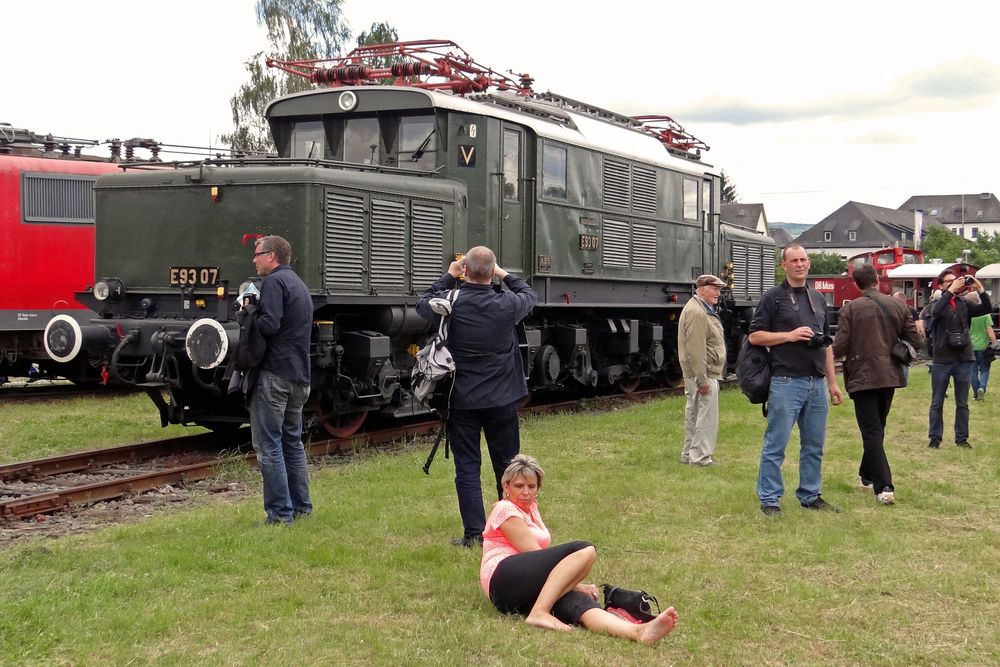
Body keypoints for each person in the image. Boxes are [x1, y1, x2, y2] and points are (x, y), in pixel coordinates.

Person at [480, 454, 679, 643]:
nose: (526, 492)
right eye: (519, 486)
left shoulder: (531, 508)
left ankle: (637, 632)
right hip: (503, 577)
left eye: (531, 486)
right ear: (506, 486)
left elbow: (542, 569)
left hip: (520, 589)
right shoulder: (505, 509)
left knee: (578, 604)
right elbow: (534, 554)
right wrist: (577, 584)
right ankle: (539, 613)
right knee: (584, 549)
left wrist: (572, 588)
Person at [416, 246, 537, 547]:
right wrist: (502, 273)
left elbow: (421, 306)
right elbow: (528, 295)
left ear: (465, 271)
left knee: (467, 467)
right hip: (502, 399)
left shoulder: (451, 302)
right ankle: (511, 529)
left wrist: (449, 275)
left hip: (462, 400)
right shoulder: (507, 304)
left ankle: (474, 533)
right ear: (491, 272)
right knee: (507, 466)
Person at [749, 245, 843, 516]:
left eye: (803, 260)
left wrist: (833, 383)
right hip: (786, 381)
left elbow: (826, 344)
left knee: (814, 445)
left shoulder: (818, 298)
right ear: (784, 265)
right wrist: (789, 335)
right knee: (776, 444)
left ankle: (810, 495)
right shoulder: (773, 298)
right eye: (794, 260)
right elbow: (755, 336)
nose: (799, 264)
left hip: (816, 383)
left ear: (809, 263)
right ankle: (770, 500)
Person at [833, 265, 922, 506]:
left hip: (862, 376)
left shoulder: (851, 309)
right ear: (877, 279)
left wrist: (825, 356)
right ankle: (866, 476)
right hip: (890, 375)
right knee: (877, 427)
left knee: (872, 430)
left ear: (856, 284)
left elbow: (840, 345)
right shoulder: (898, 305)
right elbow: (916, 340)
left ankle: (884, 486)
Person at [248, 235, 314, 525]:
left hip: (275, 374)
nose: (254, 259)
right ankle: (301, 507)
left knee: (270, 444)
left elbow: (269, 324)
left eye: (257, 253)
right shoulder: (299, 284)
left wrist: (247, 314)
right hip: (299, 374)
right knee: (293, 442)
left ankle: (279, 514)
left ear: (271, 255)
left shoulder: (274, 282)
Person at [926, 271, 992, 448]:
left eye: (954, 281)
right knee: (937, 401)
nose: (953, 283)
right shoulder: (936, 303)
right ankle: (935, 437)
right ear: (941, 285)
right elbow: (936, 312)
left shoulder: (964, 303)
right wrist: (950, 292)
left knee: (962, 403)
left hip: (964, 358)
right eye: (948, 281)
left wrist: (980, 290)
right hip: (942, 359)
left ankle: (961, 439)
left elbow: (986, 309)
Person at [678, 274, 727, 466]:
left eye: (719, 290)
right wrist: (703, 379)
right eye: (714, 289)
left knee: (694, 413)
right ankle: (700, 458)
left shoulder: (698, 308)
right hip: (703, 372)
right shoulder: (697, 312)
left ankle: (689, 454)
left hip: (700, 372)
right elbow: (696, 349)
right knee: (706, 416)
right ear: (702, 289)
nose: (718, 293)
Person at [965, 291, 996, 400]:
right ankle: (982, 388)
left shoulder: (967, 313)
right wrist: (994, 342)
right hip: (983, 346)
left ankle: (975, 394)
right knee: (984, 369)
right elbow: (989, 329)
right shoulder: (984, 314)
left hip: (970, 346)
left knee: (973, 371)